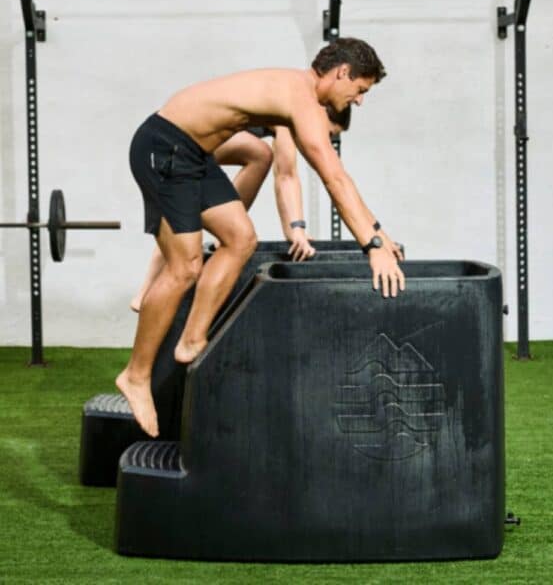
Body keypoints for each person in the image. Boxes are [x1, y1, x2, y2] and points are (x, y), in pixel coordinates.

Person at [117, 37, 405, 437]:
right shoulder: (299, 98)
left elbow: (310, 173)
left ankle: (191, 341)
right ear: (343, 72)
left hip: (195, 156)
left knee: (240, 238)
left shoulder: (295, 97)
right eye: (360, 90)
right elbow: (334, 176)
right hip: (164, 146)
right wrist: (372, 249)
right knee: (184, 267)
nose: (359, 101)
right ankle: (135, 374)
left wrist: (379, 233)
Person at [129, 105, 352, 313]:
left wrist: (293, 231)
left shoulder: (283, 117)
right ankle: (146, 292)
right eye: (326, 134)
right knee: (258, 154)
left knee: (257, 156)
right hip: (175, 141)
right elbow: (286, 174)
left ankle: (221, 234)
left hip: (183, 145)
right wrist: (297, 229)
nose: (323, 143)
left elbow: (284, 172)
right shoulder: (291, 114)